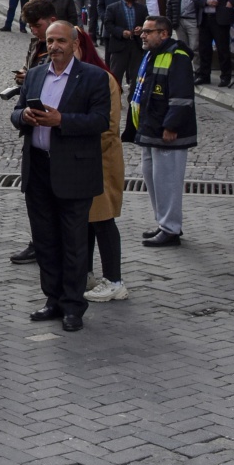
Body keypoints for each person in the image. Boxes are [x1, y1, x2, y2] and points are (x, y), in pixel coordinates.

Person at [11, 21, 109, 332]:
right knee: (45, 240)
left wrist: (61, 120)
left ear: (74, 42)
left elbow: (100, 121)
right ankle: (52, 299)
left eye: (60, 41)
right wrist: (24, 116)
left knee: (74, 242)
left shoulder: (93, 76)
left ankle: (73, 305)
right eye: (50, 40)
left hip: (73, 171)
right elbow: (15, 111)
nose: (54, 46)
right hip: (38, 168)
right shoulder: (37, 73)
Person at [123, 14, 197, 247]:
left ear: (163, 34)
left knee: (167, 182)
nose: (142, 35)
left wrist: (171, 126)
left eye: (148, 31)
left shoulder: (178, 57)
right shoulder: (151, 54)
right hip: (150, 129)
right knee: (153, 179)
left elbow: (182, 96)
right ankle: (164, 222)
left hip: (167, 132)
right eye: (143, 31)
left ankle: (170, 229)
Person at [83, 46, 126, 305]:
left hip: (102, 160)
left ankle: (114, 280)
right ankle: (86, 273)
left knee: (102, 219)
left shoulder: (103, 79)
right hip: (83, 161)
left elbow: (109, 127)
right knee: (86, 219)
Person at [195, 0, 234, 87]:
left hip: (221, 18)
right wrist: (206, 0)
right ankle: (204, 75)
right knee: (204, 49)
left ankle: (225, 76)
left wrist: (231, 2)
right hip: (205, 18)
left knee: (222, 49)